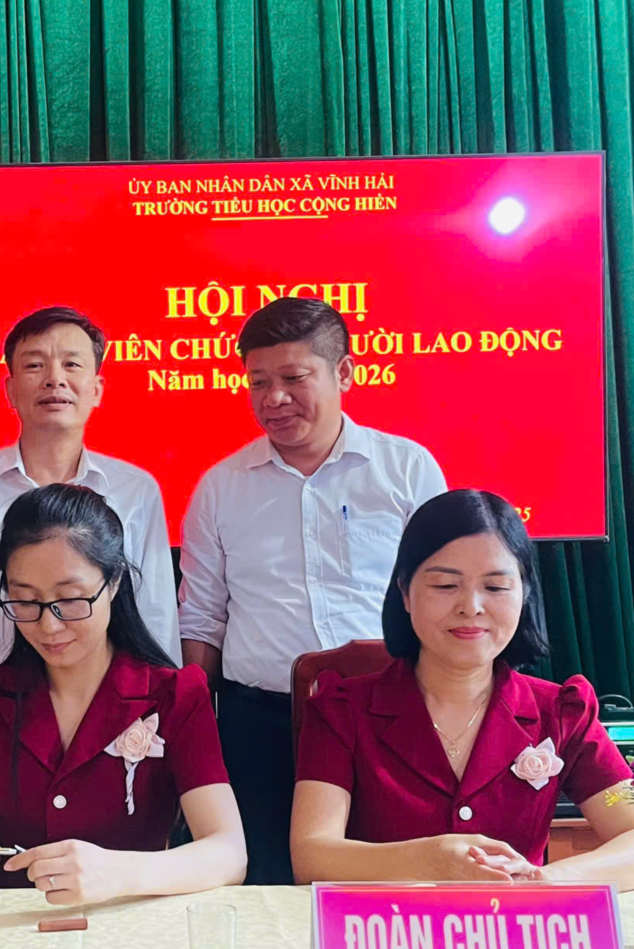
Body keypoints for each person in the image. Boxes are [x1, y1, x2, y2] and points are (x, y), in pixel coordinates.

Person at [179, 296, 446, 885]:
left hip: (388, 716)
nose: (274, 398)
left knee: (391, 881)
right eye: (258, 382)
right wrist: (192, 732)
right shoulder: (220, 488)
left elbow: (441, 597)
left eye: (294, 378)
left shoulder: (407, 470)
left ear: (344, 373)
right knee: (267, 886)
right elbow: (201, 619)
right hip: (261, 728)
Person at [291, 489, 634, 888]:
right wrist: (427, 861)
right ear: (405, 593)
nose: (471, 606)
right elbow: (312, 855)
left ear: (524, 594)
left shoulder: (562, 712)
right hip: (387, 924)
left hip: (513, 924)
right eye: (446, 585)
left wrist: (543, 879)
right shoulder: (341, 710)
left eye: (495, 588)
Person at [0, 306, 178, 818]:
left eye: (72, 364)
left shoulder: (136, 490)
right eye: (35, 365)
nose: (55, 378)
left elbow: (157, 619)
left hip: (107, 723)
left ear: (97, 389)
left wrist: (170, 731)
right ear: (10, 390)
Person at [0, 484, 244, 904]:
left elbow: (229, 853)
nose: (49, 626)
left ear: (114, 582)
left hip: (131, 928)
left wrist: (119, 874)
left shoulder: (174, 696)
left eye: (70, 600)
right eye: (25, 601)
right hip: (15, 933)